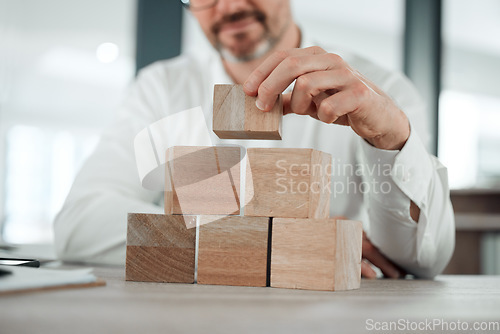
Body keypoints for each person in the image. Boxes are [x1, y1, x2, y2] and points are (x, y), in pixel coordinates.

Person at [54, 0, 455, 279]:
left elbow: (424, 259)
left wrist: (390, 139)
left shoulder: (378, 89)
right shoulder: (161, 88)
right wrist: (271, 242)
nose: (227, 7)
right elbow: (81, 223)